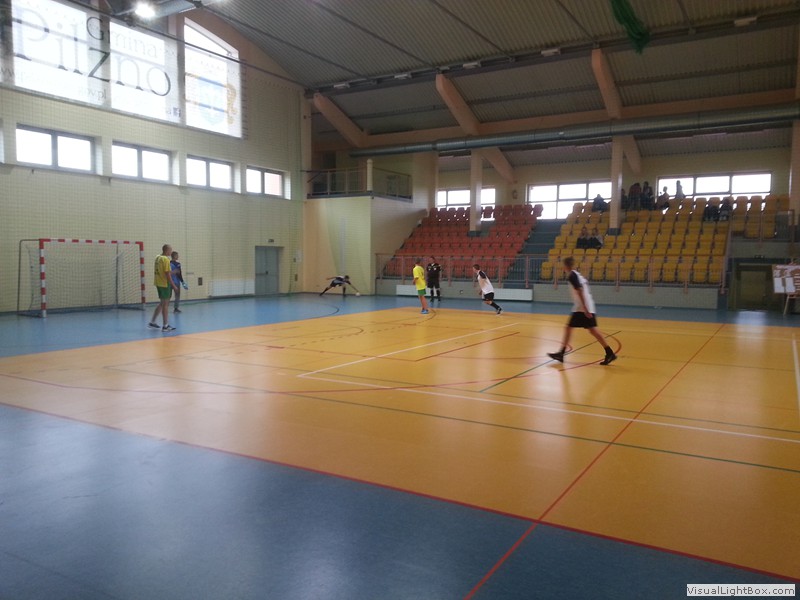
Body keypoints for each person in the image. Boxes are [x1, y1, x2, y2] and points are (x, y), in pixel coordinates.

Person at [547, 256, 617, 365]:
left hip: (582, 307)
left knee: (571, 328)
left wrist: (585, 308)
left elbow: (579, 290)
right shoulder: (577, 274)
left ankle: (561, 353)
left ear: (565, 266)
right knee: (591, 330)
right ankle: (609, 353)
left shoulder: (572, 276)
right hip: (585, 305)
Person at [148, 244, 179, 332]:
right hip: (164, 284)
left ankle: (152, 322)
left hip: (158, 282)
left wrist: (172, 272)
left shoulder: (158, 257)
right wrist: (173, 285)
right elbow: (167, 274)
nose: (171, 252)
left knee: (162, 303)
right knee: (165, 305)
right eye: (170, 250)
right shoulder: (166, 259)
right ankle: (165, 326)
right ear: (167, 250)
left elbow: (163, 271)